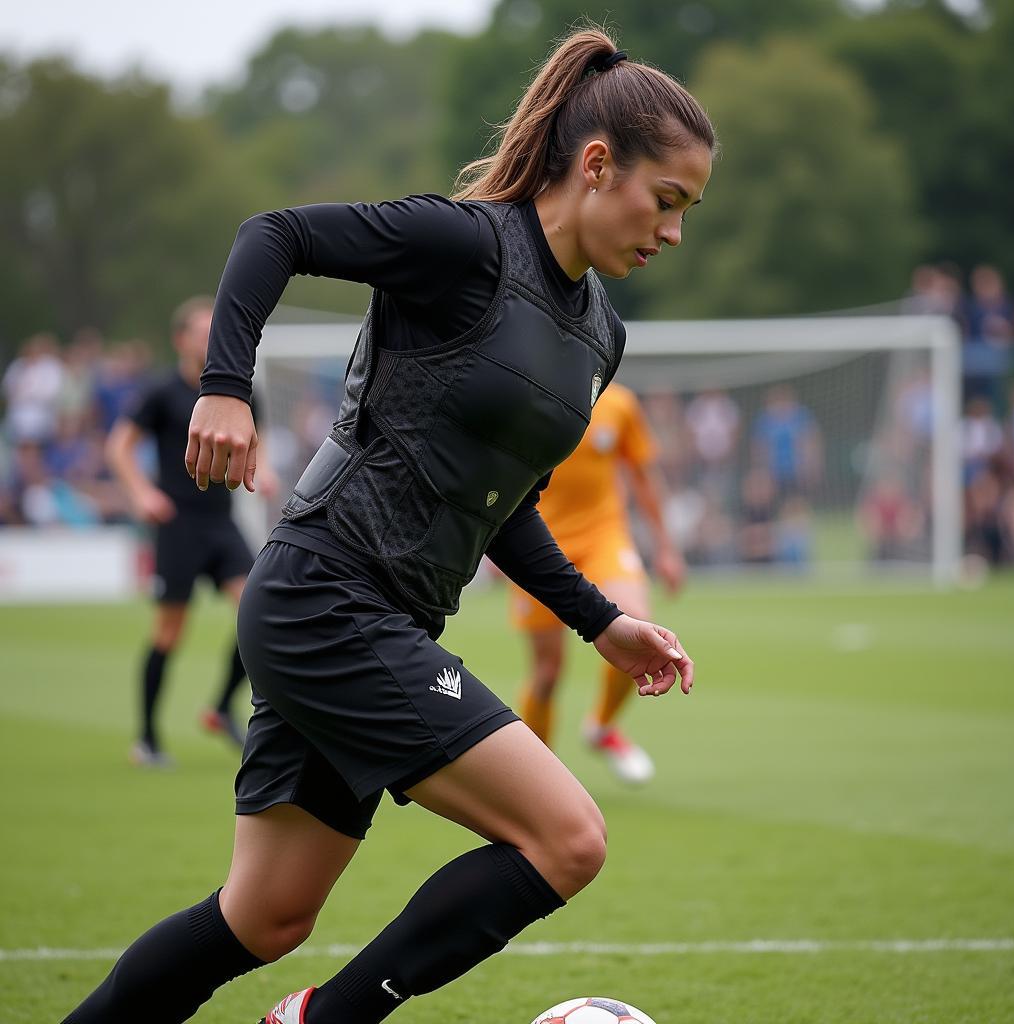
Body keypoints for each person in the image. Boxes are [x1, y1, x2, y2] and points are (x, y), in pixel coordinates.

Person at [62, 28, 712, 1024]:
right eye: (664, 201)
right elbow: (272, 234)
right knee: (569, 836)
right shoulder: (464, 244)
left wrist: (599, 620)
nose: (671, 232)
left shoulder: (599, 334)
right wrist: (225, 386)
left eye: (687, 212)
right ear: (594, 166)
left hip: (380, 623)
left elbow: (504, 507)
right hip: (326, 595)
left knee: (264, 917)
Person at [104, 297, 277, 765]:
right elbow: (119, 447)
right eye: (201, 332)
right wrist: (141, 493)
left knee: (257, 614)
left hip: (221, 522)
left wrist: (265, 474)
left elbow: (253, 444)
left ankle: (220, 707)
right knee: (169, 632)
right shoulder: (162, 393)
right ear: (180, 340)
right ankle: (147, 739)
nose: (210, 339)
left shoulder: (243, 391)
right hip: (177, 525)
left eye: (215, 331)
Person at [513, 381, 685, 783]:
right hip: (536, 543)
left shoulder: (620, 403)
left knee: (640, 625)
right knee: (548, 673)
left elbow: (643, 476)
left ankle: (602, 727)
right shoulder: (528, 393)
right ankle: (540, 779)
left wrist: (665, 546)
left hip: (603, 536)